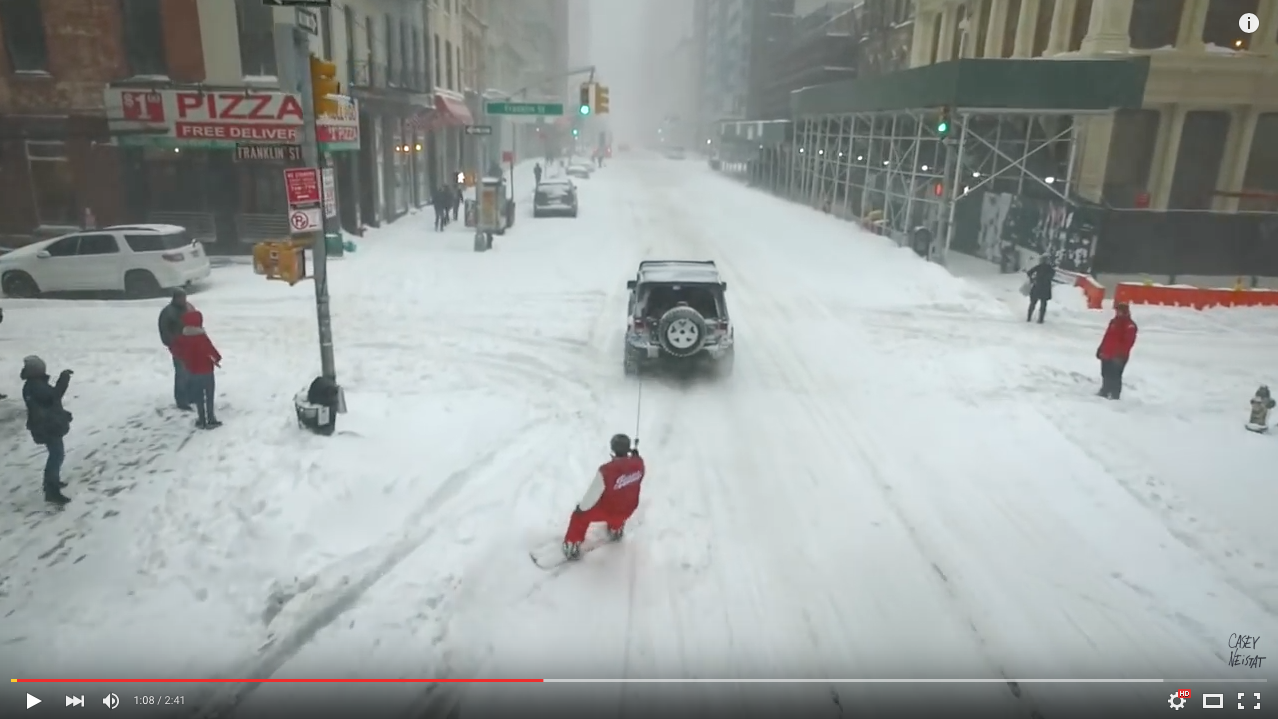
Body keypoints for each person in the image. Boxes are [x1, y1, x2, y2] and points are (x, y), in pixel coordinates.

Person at [562, 434, 645, 560]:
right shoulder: (639, 464)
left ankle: (572, 545)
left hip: (609, 510)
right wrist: (634, 457)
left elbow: (589, 499)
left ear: (612, 451)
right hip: (628, 509)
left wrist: (581, 508)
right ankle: (616, 530)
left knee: (580, 516)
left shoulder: (606, 471)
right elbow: (636, 465)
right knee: (621, 506)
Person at [21, 355, 73, 504]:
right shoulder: (35, 386)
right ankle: (51, 491)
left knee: (56, 455)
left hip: (46, 425)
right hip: (47, 427)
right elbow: (54, 397)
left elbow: (48, 405)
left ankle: (52, 483)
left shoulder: (34, 384)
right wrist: (64, 379)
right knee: (56, 456)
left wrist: (62, 415)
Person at [171, 310, 222, 428]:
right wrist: (217, 358)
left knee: (199, 397)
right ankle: (211, 418)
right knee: (209, 396)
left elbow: (174, 348)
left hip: (192, 371)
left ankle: (202, 419)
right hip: (207, 371)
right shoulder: (201, 336)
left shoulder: (183, 337)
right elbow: (211, 349)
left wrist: (183, 358)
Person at [158, 290, 193, 410]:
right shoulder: (168, 313)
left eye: (184, 297)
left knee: (191, 372)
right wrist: (174, 345)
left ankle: (191, 395)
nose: (183, 300)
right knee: (181, 374)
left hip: (191, 346)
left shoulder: (189, 307)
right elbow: (165, 332)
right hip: (178, 348)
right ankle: (181, 400)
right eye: (180, 298)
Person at [1097, 302, 1138, 400]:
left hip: (1119, 356)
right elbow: (1107, 337)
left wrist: (1120, 354)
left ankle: (1115, 394)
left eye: (1120, 311)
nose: (1118, 313)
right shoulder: (1114, 322)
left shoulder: (1130, 325)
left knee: (1115, 375)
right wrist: (1101, 348)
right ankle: (1105, 390)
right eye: (1117, 311)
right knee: (1105, 373)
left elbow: (1128, 342)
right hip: (1107, 353)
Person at [1025, 255, 1055, 324]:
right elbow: (1051, 276)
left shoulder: (1038, 267)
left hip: (1037, 286)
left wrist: (1032, 279)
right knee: (1043, 304)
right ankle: (1040, 319)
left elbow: (1029, 272)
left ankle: (1029, 317)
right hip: (1046, 288)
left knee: (1033, 303)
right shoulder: (1050, 269)